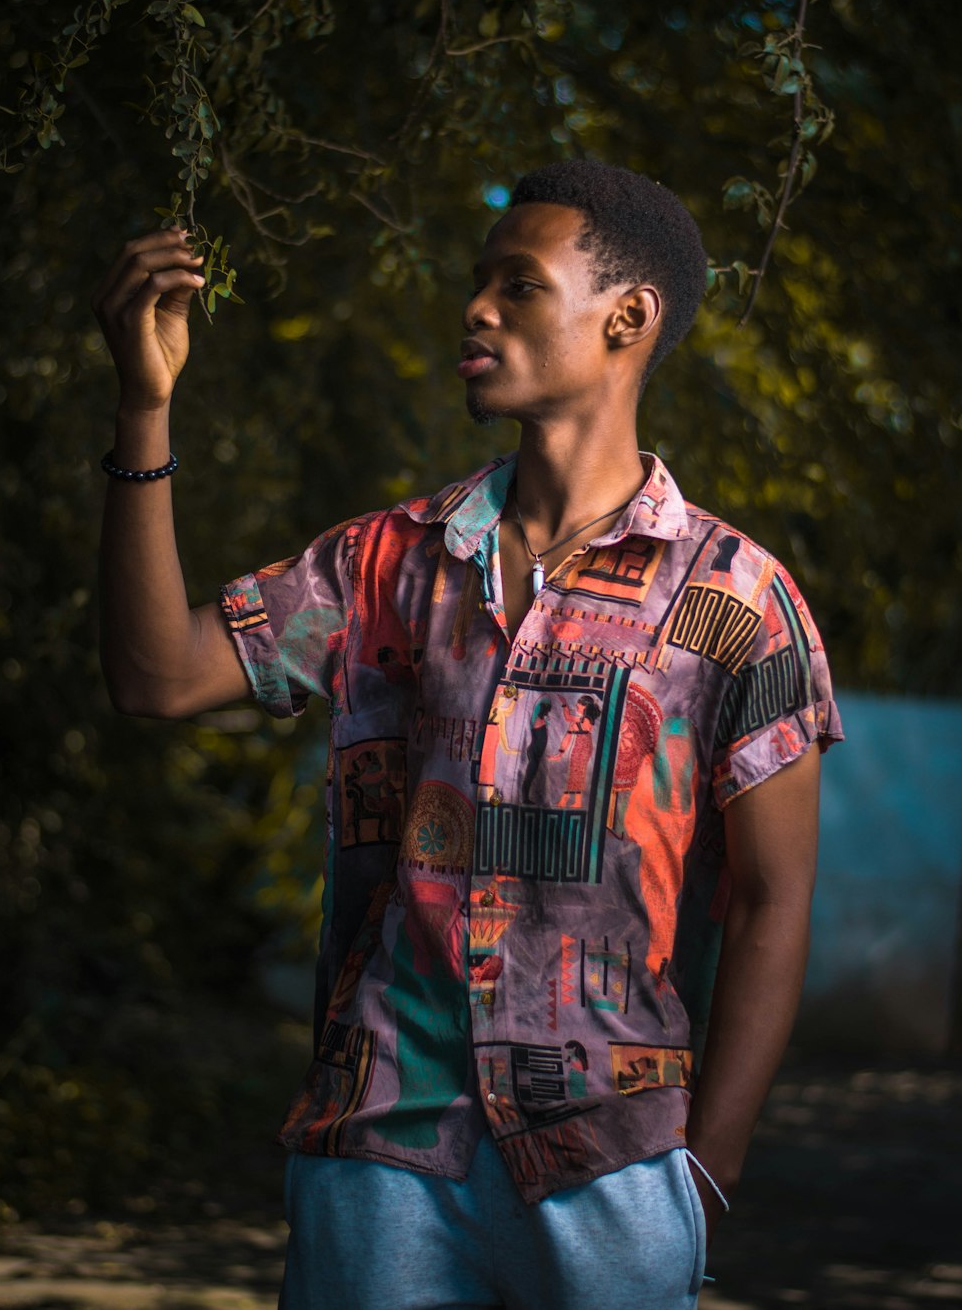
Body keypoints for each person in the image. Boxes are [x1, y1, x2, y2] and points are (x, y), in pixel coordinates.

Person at [93, 159, 843, 1310]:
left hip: (614, 1167)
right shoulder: (383, 564)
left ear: (626, 319)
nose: (475, 308)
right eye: (474, 281)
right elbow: (153, 677)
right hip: (381, 1150)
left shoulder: (738, 600)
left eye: (517, 284)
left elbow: (771, 901)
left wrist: (708, 1166)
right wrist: (144, 406)